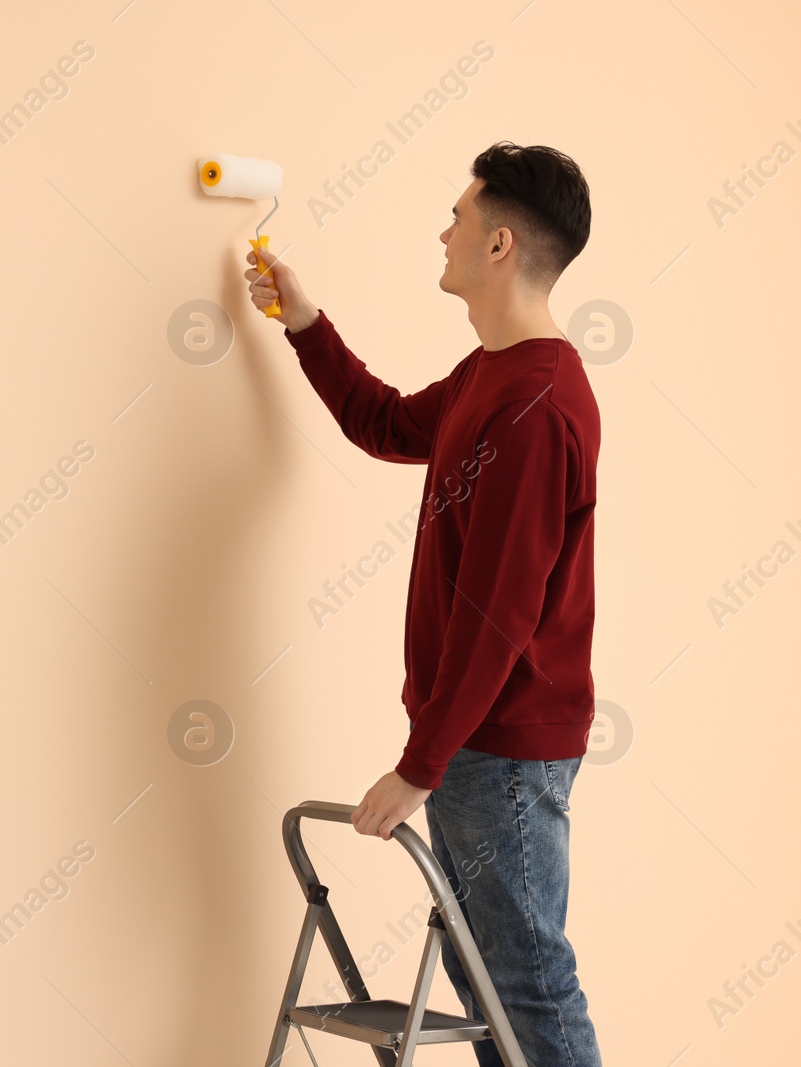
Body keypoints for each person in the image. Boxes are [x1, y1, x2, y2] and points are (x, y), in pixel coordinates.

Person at [245, 141, 603, 1066]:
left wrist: (420, 763)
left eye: (459, 214)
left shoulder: (537, 400)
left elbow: (499, 613)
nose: (443, 229)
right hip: (479, 746)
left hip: (502, 749)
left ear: (500, 244)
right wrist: (304, 320)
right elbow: (387, 423)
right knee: (490, 984)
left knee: (524, 982)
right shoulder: (494, 375)